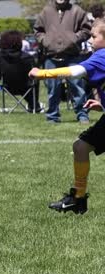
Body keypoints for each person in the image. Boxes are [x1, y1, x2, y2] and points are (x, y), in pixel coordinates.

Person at [29, 19, 105, 214]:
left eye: (94, 36)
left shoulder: (102, 56)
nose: (89, 40)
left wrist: (42, 73)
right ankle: (78, 199)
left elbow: (75, 71)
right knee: (81, 147)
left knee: (80, 147)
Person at [34, 0, 91, 124]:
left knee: (77, 87)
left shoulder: (77, 11)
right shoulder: (46, 11)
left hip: (73, 56)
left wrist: (74, 38)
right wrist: (46, 41)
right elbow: (38, 31)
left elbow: (87, 30)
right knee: (53, 89)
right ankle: (52, 116)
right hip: (51, 56)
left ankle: (82, 114)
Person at [0, 30, 42, 113]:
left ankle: (33, 104)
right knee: (35, 80)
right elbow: (36, 74)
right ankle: (34, 105)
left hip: (8, 87)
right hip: (26, 87)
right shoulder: (28, 58)